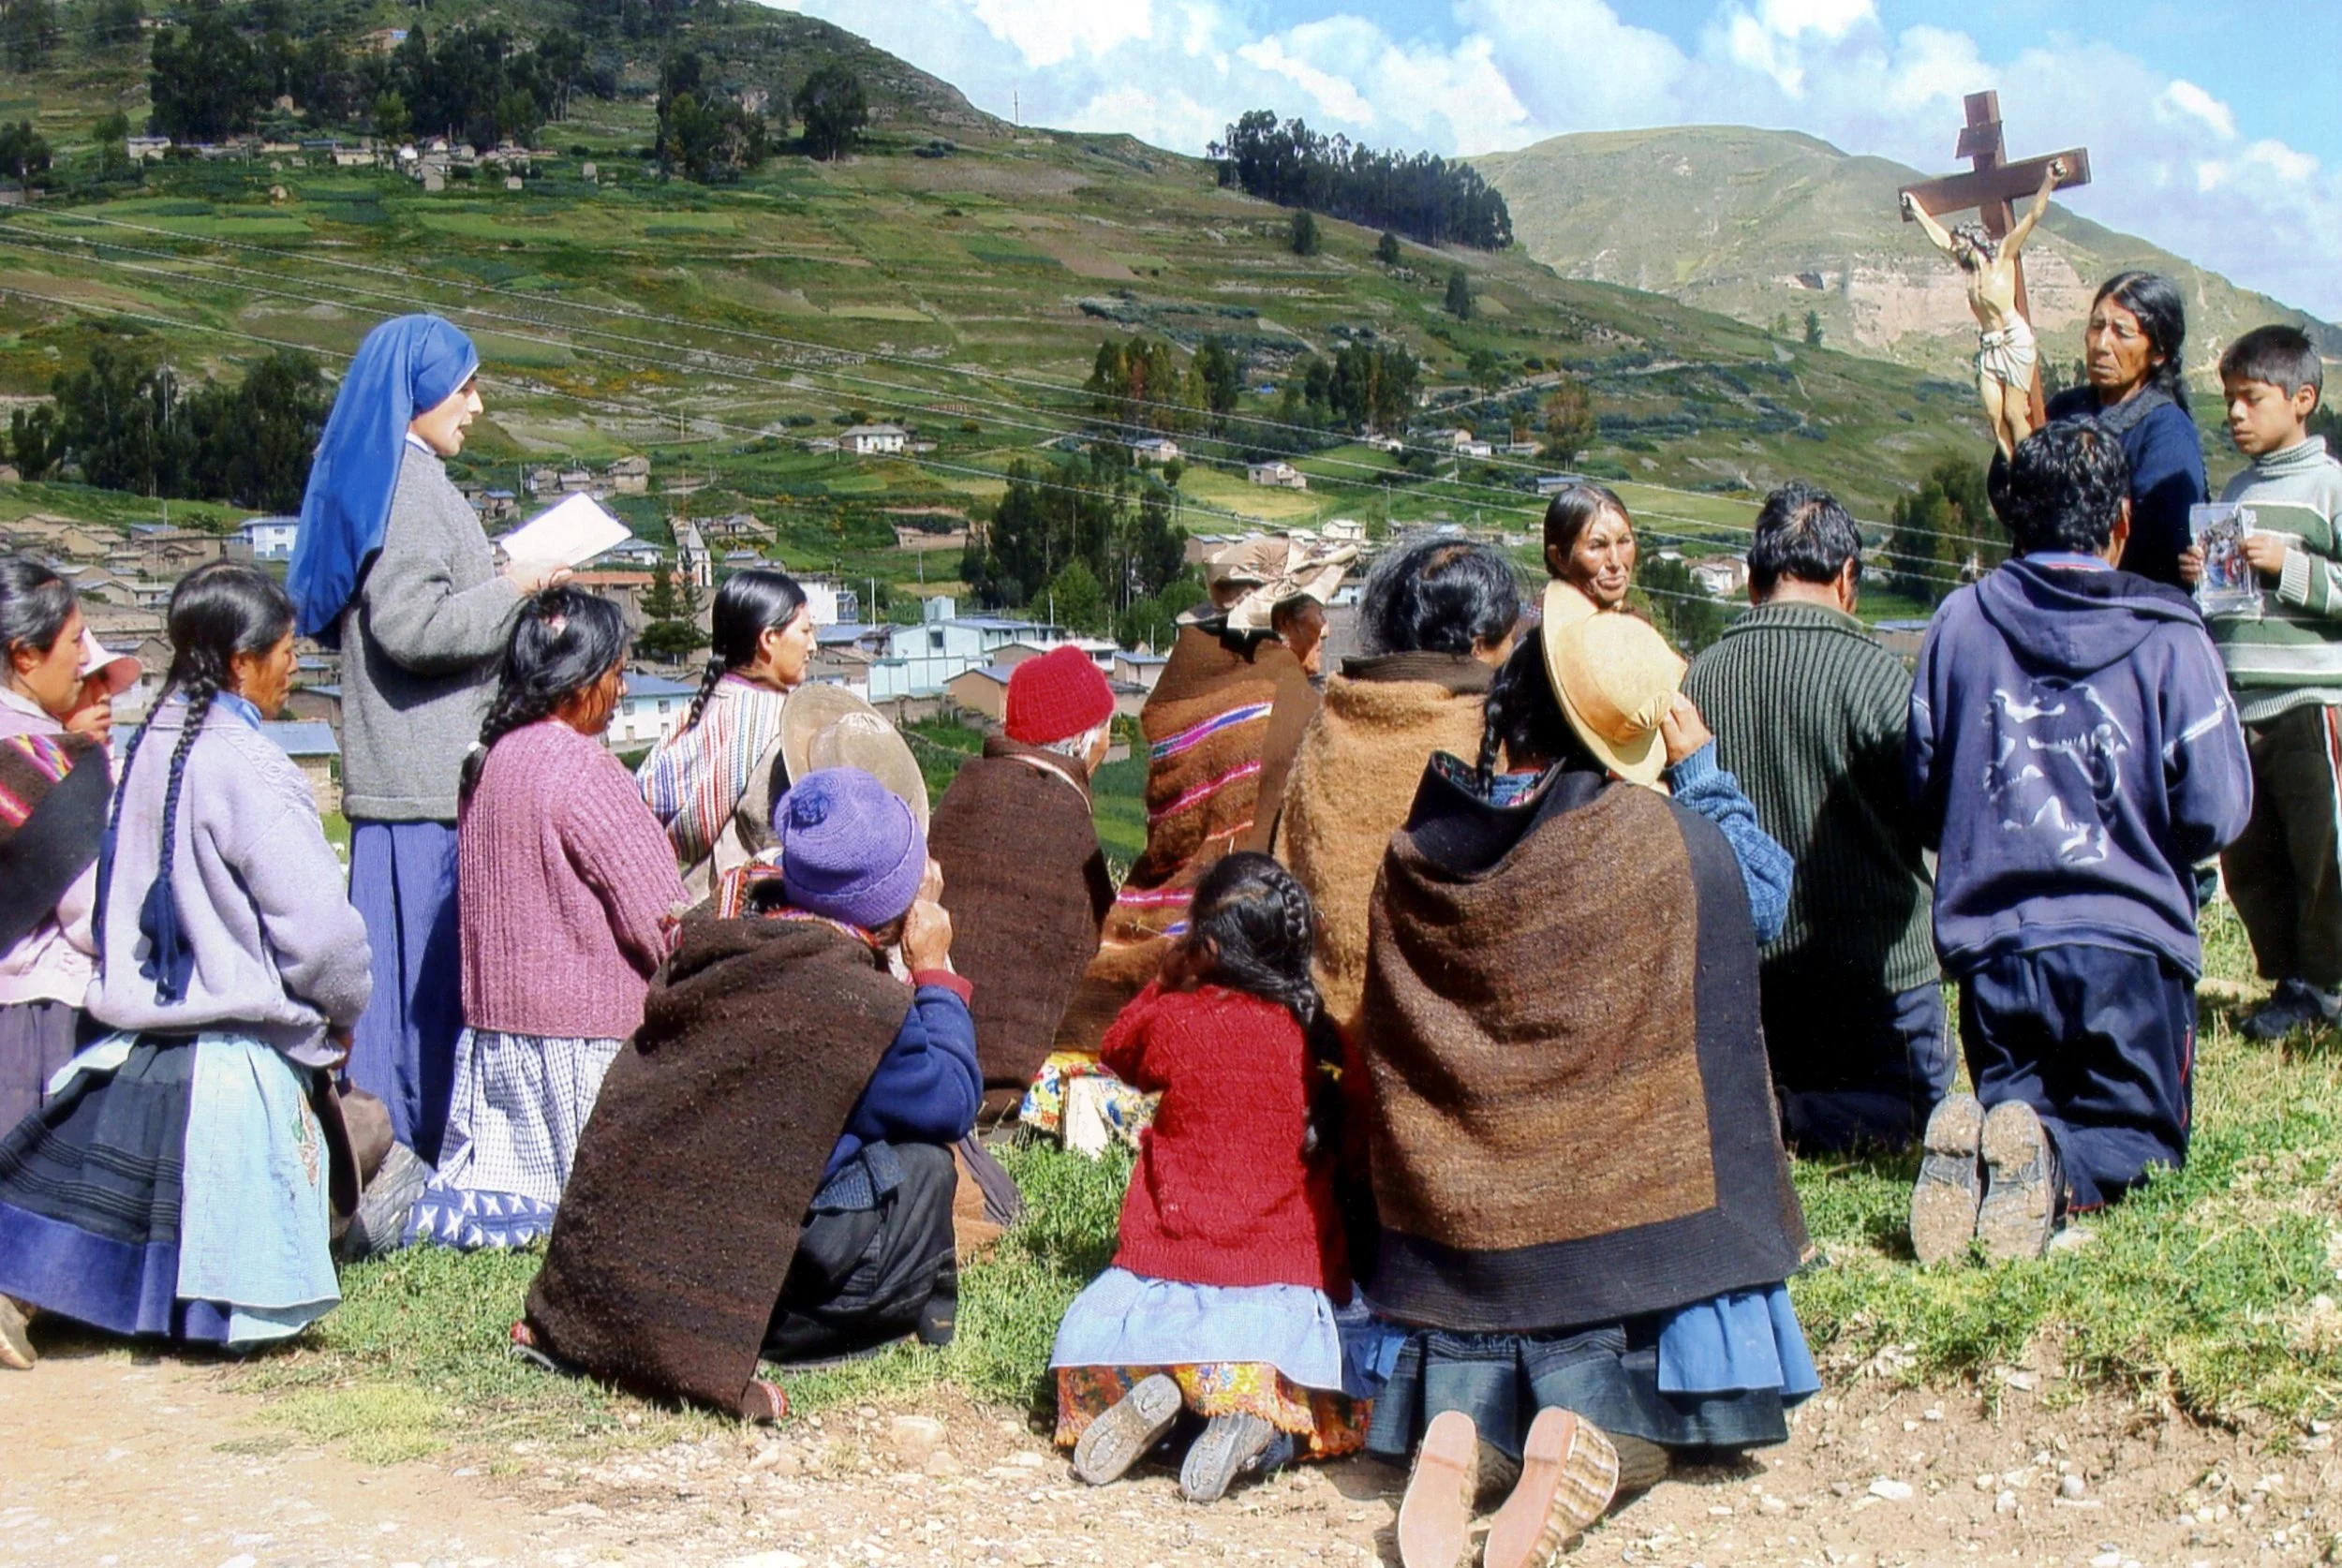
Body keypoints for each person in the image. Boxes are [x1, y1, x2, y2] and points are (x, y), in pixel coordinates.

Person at [1357, 619, 1815, 1568]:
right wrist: (1701, 776)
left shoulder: (1420, 851)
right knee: (1648, 1411)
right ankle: (1595, 1448)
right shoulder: (1655, 840)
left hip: (1465, 1261)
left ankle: (1459, 1444)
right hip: (1635, 1250)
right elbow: (1763, 895)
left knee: (1474, 1385)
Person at [0, 564, 373, 1369]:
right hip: (237, 1058)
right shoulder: (252, 766)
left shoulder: (143, 749)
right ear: (241, 662)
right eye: (285, 652)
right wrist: (341, 1010)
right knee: (371, 1152)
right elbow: (325, 941)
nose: (295, 669)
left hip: (136, 1051)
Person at [521, 767, 977, 1420]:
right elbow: (954, 1098)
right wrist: (933, 969)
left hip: (633, 1276)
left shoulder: (719, 932)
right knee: (925, 1167)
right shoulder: (855, 1006)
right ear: (895, 905)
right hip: (757, 1297)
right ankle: (801, 1328)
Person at [1907, 421, 2250, 1264]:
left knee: (2017, 1109)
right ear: (2123, 522)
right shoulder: (2171, 635)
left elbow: (1922, 791)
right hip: (2130, 948)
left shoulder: (1959, 623)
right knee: (2141, 1144)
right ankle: (2051, 1172)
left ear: (2011, 518)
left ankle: (1992, 1154)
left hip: (1994, 949)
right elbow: (2218, 809)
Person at [289, 313, 565, 1166]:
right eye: (464, 387)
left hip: (418, 775)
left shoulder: (401, 481)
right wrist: (512, 587)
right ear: (418, 394)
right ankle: (403, 1151)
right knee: (418, 991)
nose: (475, 407)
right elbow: (411, 626)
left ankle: (404, 1147)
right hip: (419, 783)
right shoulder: (408, 493)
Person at [1051, 853, 1368, 1503]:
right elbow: (1358, 1124)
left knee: (1107, 1366)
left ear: (1208, 947)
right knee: (1310, 1406)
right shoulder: (1318, 1037)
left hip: (1162, 1282)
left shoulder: (1179, 1020)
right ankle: (1249, 1430)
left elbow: (1115, 1049)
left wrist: (1167, 977)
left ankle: (1161, 1404)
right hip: (1275, 1299)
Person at [405, 590, 686, 1250]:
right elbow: (660, 919)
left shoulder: (491, 762)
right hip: (584, 1041)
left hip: (501, 1039)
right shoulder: (585, 770)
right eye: (616, 675)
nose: (620, 693)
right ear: (580, 680)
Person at [1683, 483, 1947, 1153]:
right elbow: (1936, 817)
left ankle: (1775, 1116)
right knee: (1921, 1121)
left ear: (1753, 581)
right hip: (1879, 990)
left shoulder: (1698, 681)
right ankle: (1798, 1121)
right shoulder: (1878, 676)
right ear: (1848, 578)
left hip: (1754, 995)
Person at [1053, 535, 1351, 1056]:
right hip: (1235, 930)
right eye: (1313, 610)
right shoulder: (1290, 705)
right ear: (1281, 623)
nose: (1324, 626)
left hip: (1155, 914)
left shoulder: (1185, 689)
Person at [1274, 538, 1519, 1035]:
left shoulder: (1334, 720)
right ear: (1478, 644)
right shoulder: (1483, 738)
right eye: (1507, 637)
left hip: (1318, 1026)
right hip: (1423, 1038)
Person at [2175, 326, 2342, 1041]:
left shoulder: (2330, 487)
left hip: (2312, 702)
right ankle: (2291, 982)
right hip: (2245, 705)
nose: (2236, 414)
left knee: (2323, 854)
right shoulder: (2240, 490)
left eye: (2252, 398)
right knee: (2254, 856)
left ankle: (2330, 988)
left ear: (2302, 399)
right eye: (2229, 401)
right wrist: (2206, 581)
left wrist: (2289, 567)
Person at [926, 645, 1117, 1114]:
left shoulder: (964, 790)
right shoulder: (1066, 820)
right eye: (1107, 725)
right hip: (1016, 1092)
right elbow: (1096, 957)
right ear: (1085, 741)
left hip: (935, 1064)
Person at [1, 556, 140, 1132]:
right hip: (38, 1020)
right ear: (25, 655)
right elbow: (91, 915)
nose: (85, 658)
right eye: (76, 640)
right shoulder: (52, 761)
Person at [636, 568, 815, 900]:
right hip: (742, 906)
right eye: (805, 631)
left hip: (689, 898)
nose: (813, 645)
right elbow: (779, 834)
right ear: (769, 639)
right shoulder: (779, 722)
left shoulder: (704, 706)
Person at [2026, 273, 2206, 589]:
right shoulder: (2063, 409)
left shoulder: (2168, 433)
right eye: (2097, 326)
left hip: (2125, 606)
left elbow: (2161, 547)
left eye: (2122, 332)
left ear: (2158, 353)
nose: (2101, 344)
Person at [1902, 159, 2067, 457]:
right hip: (1990, 346)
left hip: (2014, 339)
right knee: (1994, 414)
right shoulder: (1970, 272)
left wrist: (2048, 183)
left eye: (1961, 242)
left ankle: (2030, 466)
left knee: (2015, 413)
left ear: (1974, 241)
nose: (1956, 247)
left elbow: (2032, 217)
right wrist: (1917, 212)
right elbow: (1940, 240)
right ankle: (2012, 467)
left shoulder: (2003, 257)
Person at [1541, 481, 1638, 626]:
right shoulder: (1541, 635)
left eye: (1624, 542)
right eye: (1597, 546)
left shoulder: (1636, 626)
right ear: (1559, 557)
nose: (1615, 562)